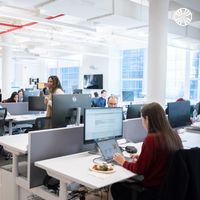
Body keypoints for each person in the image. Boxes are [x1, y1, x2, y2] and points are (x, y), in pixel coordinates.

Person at [111, 102, 183, 200]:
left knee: (116, 187)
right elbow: (161, 159)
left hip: (152, 191)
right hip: (168, 189)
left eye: (142, 119)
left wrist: (123, 161)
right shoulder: (174, 136)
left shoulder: (151, 139)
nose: (142, 122)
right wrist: (142, 157)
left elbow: (139, 169)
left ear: (147, 119)